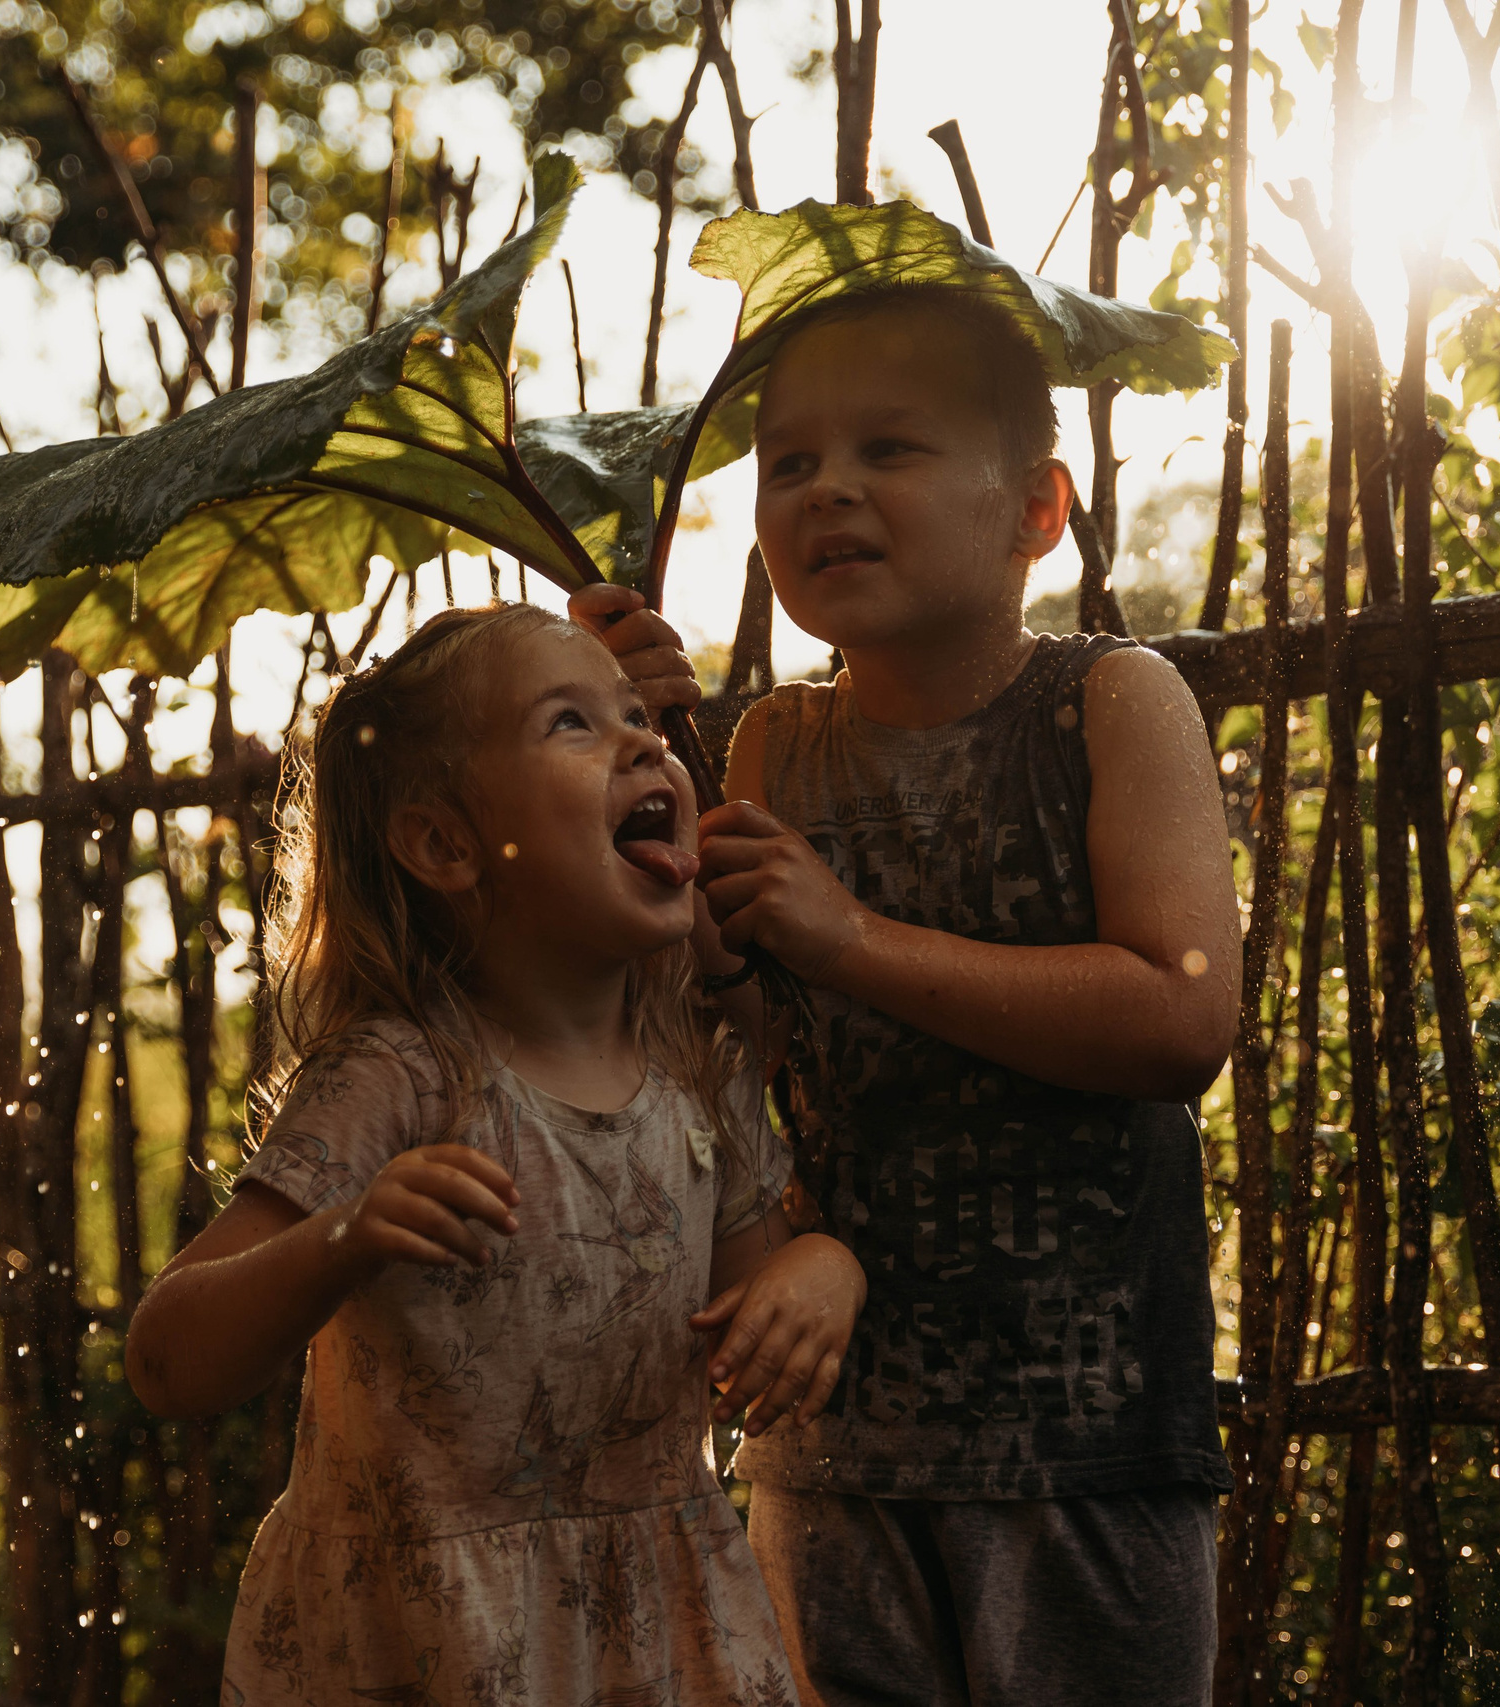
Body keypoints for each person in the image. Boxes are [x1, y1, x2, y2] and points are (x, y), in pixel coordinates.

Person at [574, 285, 1242, 1707]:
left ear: (1038, 511)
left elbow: (1182, 1019)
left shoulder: (1110, 703)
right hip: (834, 1443)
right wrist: (633, 755)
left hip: (1089, 1440)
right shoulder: (768, 744)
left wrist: (848, 933)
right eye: (791, 463)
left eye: (892, 447)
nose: (831, 491)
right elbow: (731, 1039)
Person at [124, 602, 865, 1707]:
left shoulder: (695, 1079)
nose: (644, 741)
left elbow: (751, 1304)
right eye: (572, 723)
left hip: (659, 1635)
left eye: (637, 719)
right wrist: (342, 1239)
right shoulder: (404, 1079)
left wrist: (826, 1271)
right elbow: (168, 1359)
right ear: (443, 844)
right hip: (424, 1645)